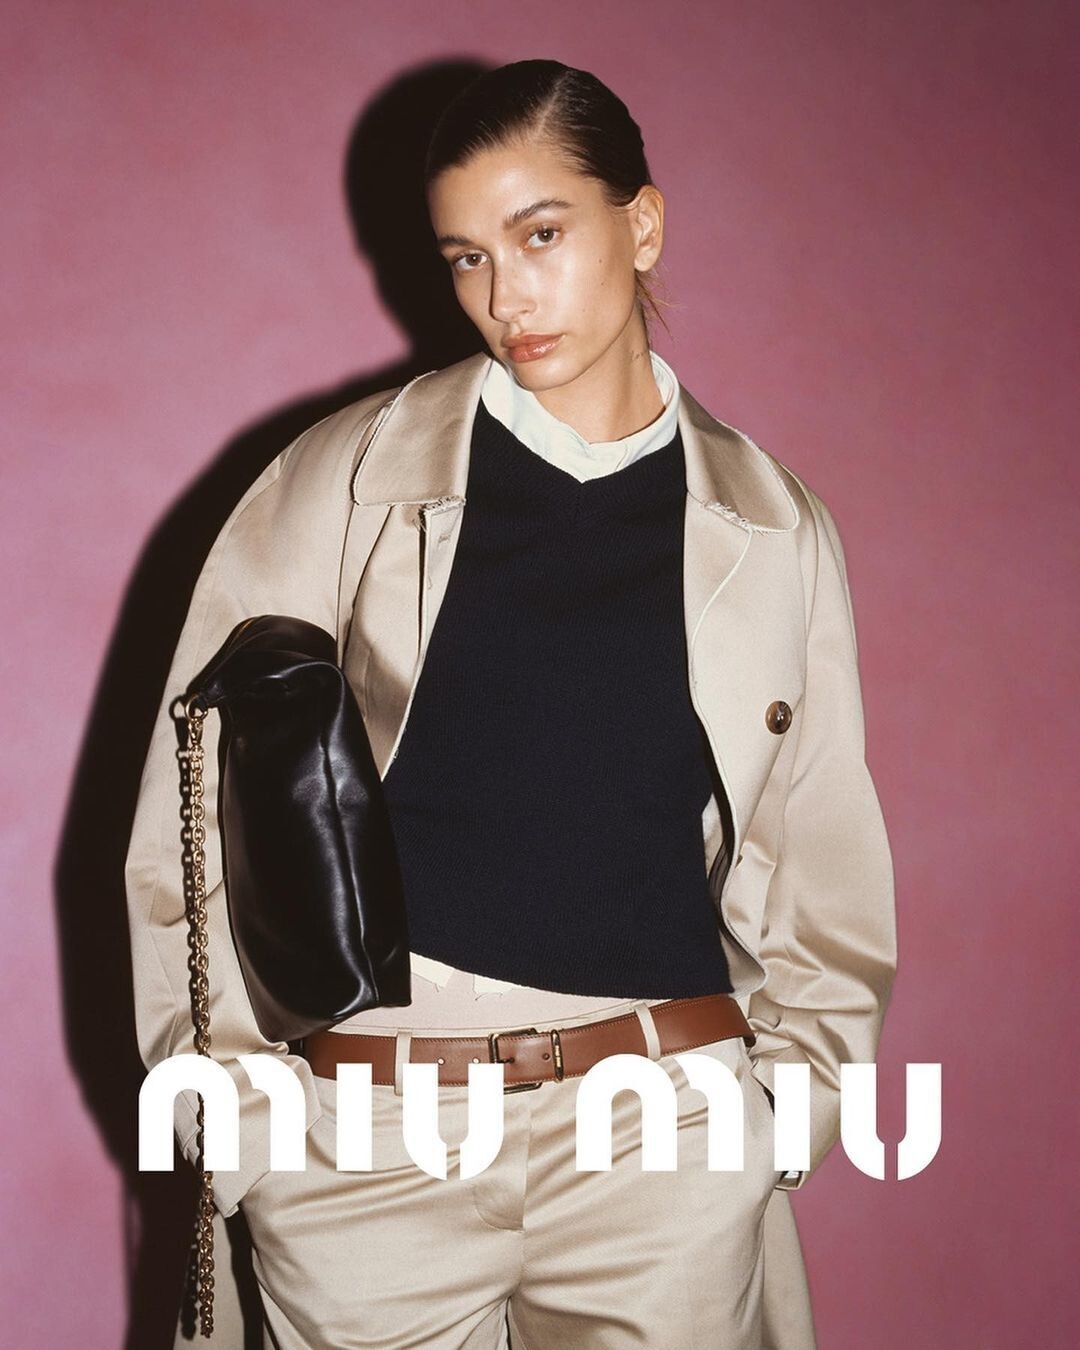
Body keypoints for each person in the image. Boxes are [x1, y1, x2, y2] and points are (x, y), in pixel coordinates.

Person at [125, 59, 897, 1350]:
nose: (506, 295)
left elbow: (826, 868)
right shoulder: (345, 483)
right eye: (467, 258)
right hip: (371, 1134)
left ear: (641, 225)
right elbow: (190, 818)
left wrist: (784, 1115)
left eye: (541, 236)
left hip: (661, 1133)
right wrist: (243, 1123)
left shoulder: (773, 531)